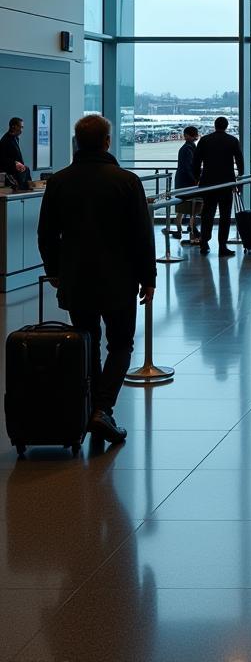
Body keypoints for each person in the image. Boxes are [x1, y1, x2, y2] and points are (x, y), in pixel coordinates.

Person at [37, 114, 156, 444]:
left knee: (87, 341)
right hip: (119, 278)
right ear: (107, 141)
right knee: (121, 344)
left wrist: (55, 271)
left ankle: (91, 408)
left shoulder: (59, 181)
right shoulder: (126, 181)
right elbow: (141, 236)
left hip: (76, 278)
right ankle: (102, 409)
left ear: (77, 142)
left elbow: (46, 234)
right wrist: (148, 276)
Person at [192, 115, 244, 257]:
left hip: (208, 183)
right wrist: (239, 181)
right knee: (225, 216)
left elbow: (196, 161)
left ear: (215, 126)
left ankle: (204, 243)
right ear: (226, 126)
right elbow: (240, 161)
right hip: (226, 183)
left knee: (207, 214)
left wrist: (197, 177)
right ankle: (222, 245)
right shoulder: (232, 141)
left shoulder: (205, 140)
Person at [172, 125, 200, 240]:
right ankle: (190, 227)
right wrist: (195, 180)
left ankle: (181, 228)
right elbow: (188, 167)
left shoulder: (187, 147)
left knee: (183, 206)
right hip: (187, 181)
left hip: (182, 181)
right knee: (189, 205)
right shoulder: (189, 148)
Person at [0, 117, 31, 189]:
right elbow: (2, 159)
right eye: (21, 127)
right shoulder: (6, 140)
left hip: (18, 173)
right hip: (12, 176)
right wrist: (15, 163)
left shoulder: (15, 138)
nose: (21, 130)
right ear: (13, 126)